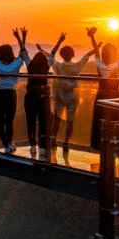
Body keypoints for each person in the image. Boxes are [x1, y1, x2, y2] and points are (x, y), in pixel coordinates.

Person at [38, 31, 98, 165]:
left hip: (59, 96)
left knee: (57, 119)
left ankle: (53, 140)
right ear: (72, 55)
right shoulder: (77, 66)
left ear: (62, 55)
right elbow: (87, 56)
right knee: (70, 121)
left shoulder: (58, 66)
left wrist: (57, 42)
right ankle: (66, 141)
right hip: (73, 97)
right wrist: (96, 47)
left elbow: (51, 56)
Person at [0, 26, 29, 154]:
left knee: (0, 120)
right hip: (11, 93)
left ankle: (5, 144)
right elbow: (22, 50)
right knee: (9, 120)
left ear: (0, 53)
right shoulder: (16, 64)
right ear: (10, 52)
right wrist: (21, 37)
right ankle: (9, 143)